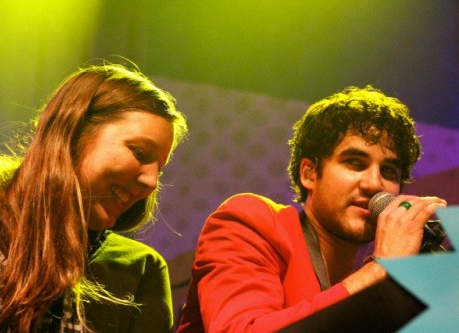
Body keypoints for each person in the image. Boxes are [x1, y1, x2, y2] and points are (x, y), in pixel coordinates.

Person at [176, 85, 447, 332]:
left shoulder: (393, 279)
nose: (374, 183)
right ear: (309, 173)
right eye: (355, 162)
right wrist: (380, 268)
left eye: (388, 171)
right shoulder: (250, 220)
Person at [0, 63, 188, 332]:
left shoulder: (140, 271)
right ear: (75, 130)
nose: (151, 182)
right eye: (139, 152)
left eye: (159, 169)